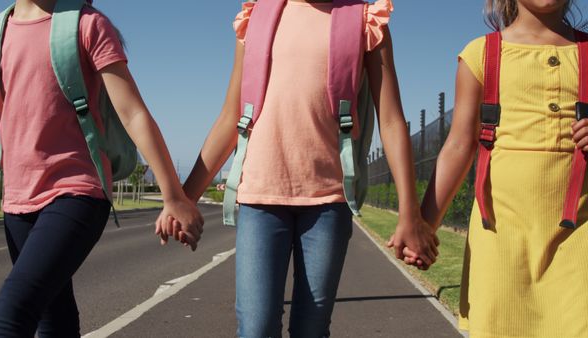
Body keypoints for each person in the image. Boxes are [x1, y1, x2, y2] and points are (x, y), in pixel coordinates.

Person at [168, 0, 438, 336]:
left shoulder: (367, 22)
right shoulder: (256, 17)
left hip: (328, 202)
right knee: (256, 327)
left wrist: (409, 214)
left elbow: (392, 120)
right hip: (259, 198)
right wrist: (184, 199)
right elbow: (230, 117)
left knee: (311, 329)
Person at [0, 0, 203, 336]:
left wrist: (173, 197)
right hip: (17, 201)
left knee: (13, 311)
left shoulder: (87, 25)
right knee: (53, 315)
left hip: (78, 192)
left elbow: (133, 113)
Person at [416, 0, 588, 336]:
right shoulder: (482, 54)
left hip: (577, 239)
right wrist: (424, 226)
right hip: (500, 238)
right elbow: (458, 146)